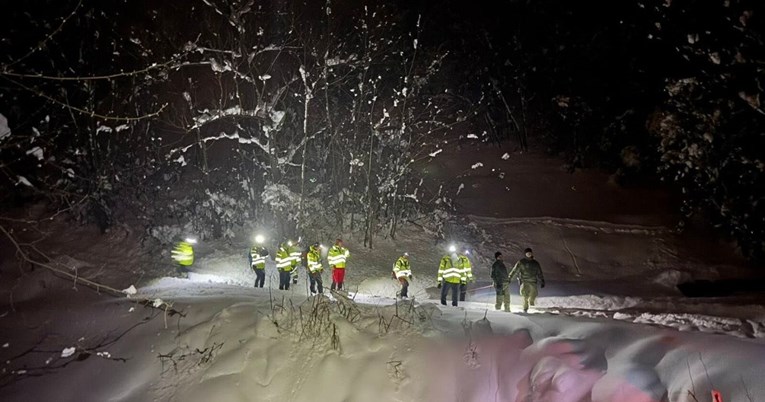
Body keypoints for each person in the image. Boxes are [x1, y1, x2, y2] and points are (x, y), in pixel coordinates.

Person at [508, 247, 545, 313]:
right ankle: (525, 308)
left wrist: (542, 280)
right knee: (524, 295)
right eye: (527, 253)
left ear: (532, 253)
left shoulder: (535, 263)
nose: (529, 254)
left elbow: (539, 272)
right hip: (524, 281)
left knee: (534, 294)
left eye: (530, 253)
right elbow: (514, 270)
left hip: (533, 281)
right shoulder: (521, 262)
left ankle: (531, 302)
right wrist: (509, 278)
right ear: (525, 254)